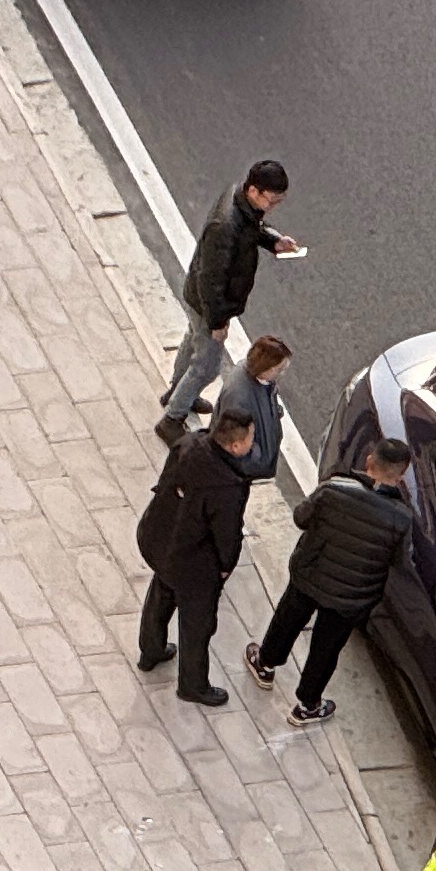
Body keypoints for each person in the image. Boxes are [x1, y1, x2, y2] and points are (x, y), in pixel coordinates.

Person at [250, 435, 415, 724]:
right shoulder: (401, 518)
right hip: (353, 595)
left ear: (370, 460)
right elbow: (398, 561)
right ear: (401, 476)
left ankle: (265, 663)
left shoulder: (334, 487)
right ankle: (308, 704)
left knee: (288, 619)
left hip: (310, 573)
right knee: (326, 648)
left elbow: (301, 518)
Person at [158, 161, 300, 439]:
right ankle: (172, 418)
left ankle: (177, 391)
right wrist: (218, 322)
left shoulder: (240, 201)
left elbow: (251, 228)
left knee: (191, 343)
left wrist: (273, 240)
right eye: (271, 201)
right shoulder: (225, 225)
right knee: (206, 366)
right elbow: (211, 281)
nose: (272, 207)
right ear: (255, 191)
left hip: (200, 300)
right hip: (208, 305)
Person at [134, 408, 256, 706]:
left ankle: (150, 651)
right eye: (251, 437)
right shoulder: (228, 484)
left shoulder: (188, 444)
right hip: (194, 563)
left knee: (160, 595)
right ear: (236, 445)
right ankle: (192, 685)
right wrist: (226, 566)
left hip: (160, 538)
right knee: (197, 624)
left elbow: (165, 483)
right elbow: (227, 533)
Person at [223, 332, 294, 485]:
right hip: (243, 471)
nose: (282, 374)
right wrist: (258, 461)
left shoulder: (262, 380)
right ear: (266, 368)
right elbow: (235, 444)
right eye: (279, 369)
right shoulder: (238, 398)